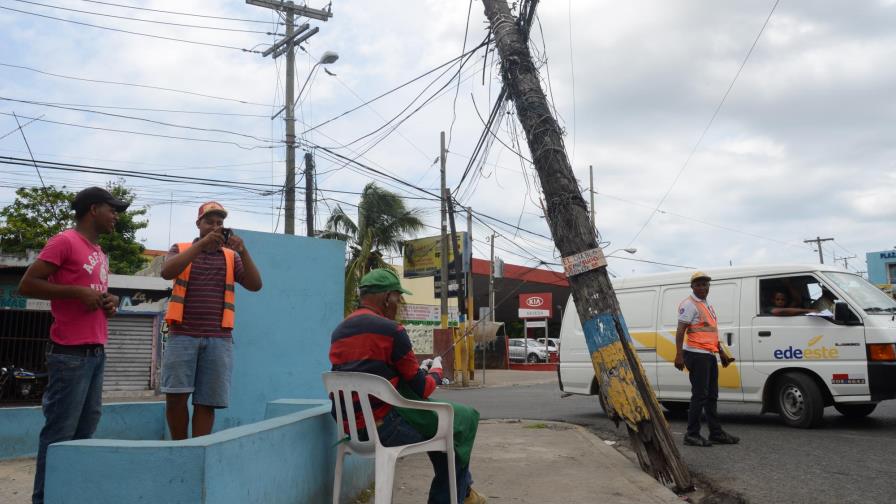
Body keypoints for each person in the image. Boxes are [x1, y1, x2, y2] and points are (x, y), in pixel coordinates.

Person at [329, 268, 486, 504]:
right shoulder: (392, 331)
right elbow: (423, 389)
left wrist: (419, 370)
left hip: (353, 430)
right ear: (387, 298)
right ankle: (457, 495)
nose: (398, 304)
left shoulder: (339, 331)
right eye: (397, 298)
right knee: (459, 420)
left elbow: (374, 372)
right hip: (388, 429)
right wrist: (436, 371)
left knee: (441, 425)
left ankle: (464, 492)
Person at [18, 186, 127, 504]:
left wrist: (109, 302)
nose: (116, 216)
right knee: (59, 436)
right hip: (69, 355)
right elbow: (27, 284)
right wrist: (77, 293)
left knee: (83, 436)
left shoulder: (100, 252)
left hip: (96, 353)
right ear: (94, 209)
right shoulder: (64, 241)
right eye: (112, 209)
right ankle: (43, 499)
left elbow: (92, 293)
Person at [160, 201, 262, 440]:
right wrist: (201, 245)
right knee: (176, 397)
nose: (215, 227)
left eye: (220, 223)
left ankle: (198, 450)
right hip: (182, 335)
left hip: (218, 339)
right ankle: (180, 448)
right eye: (209, 222)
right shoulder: (181, 248)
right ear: (199, 224)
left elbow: (255, 285)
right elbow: (166, 272)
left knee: (207, 402)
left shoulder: (231, 257)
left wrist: (243, 251)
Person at [673, 271, 739, 447]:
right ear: (692, 287)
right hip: (696, 354)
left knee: (712, 396)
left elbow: (710, 332)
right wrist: (679, 354)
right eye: (698, 284)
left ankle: (716, 433)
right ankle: (691, 434)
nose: (702, 287)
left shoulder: (706, 304)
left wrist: (721, 352)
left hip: (708, 354)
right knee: (700, 396)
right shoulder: (689, 304)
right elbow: (680, 331)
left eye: (705, 284)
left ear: (709, 286)